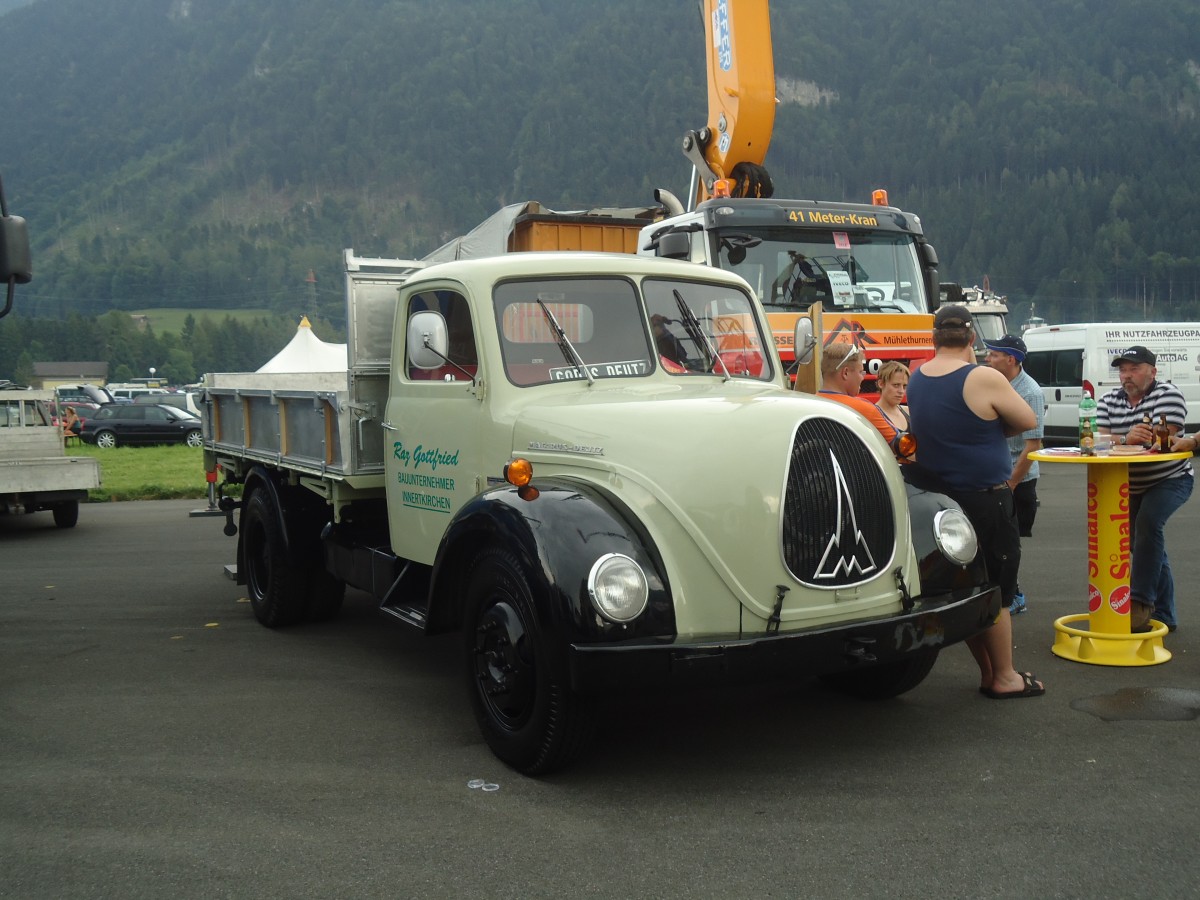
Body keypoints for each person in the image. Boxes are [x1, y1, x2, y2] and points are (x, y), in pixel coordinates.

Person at [903, 305, 1044, 699]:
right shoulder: (981, 376)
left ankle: (988, 671)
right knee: (998, 589)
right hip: (985, 498)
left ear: (934, 338)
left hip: (941, 501)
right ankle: (1005, 677)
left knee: (967, 588)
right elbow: (1027, 419)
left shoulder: (918, 377)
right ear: (970, 339)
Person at [1097, 345, 1193, 632]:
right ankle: (1165, 615)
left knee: (1148, 526)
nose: (1126, 376)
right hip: (1130, 484)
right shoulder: (1108, 399)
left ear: (1153, 371)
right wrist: (1126, 436)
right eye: (1122, 370)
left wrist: (1121, 439)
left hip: (1170, 479)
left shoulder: (1168, 394)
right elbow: (1097, 438)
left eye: (1134, 369)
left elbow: (1162, 437)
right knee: (1145, 542)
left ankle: (1139, 604)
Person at [983, 335, 1044, 615]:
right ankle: (1001, 589)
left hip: (1015, 479)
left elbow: (1033, 445)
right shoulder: (993, 383)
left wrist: (1011, 484)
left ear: (1011, 360)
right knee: (995, 539)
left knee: (1009, 541)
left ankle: (1014, 594)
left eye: (993, 354)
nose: (987, 358)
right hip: (995, 474)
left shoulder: (1029, 392)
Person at [817, 342, 902, 454]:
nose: (862, 378)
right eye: (860, 372)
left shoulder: (808, 404)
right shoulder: (864, 409)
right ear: (846, 373)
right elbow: (900, 446)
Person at [873, 360, 911, 452]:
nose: (901, 391)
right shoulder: (873, 415)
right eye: (896, 385)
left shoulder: (908, 411)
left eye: (904, 386)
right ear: (881, 384)